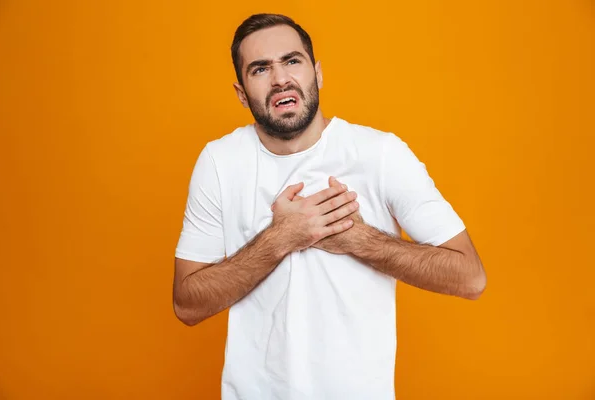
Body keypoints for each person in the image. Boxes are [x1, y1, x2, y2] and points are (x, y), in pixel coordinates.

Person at [173, 13, 486, 400]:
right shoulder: (220, 162)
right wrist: (279, 240)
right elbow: (187, 304)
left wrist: (360, 240)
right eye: (260, 69)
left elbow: (470, 277)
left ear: (317, 73)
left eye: (292, 61)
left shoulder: (380, 154)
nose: (280, 79)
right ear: (241, 92)